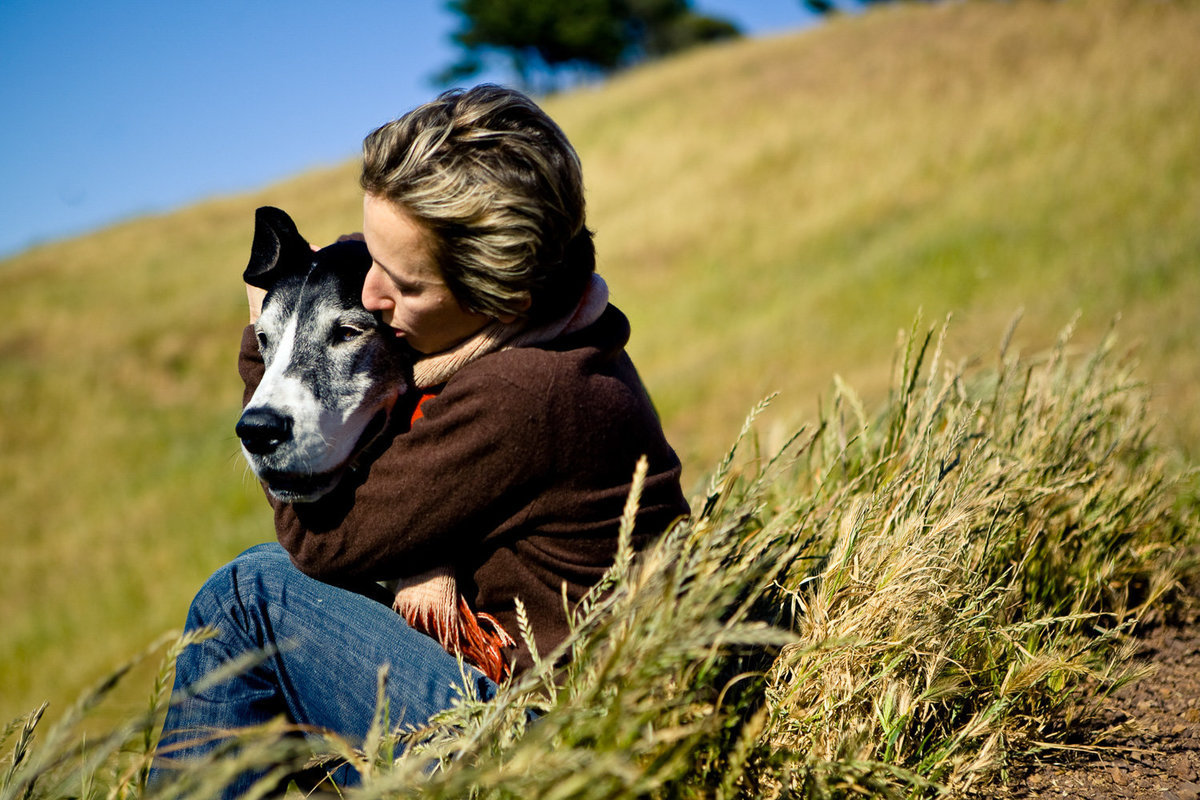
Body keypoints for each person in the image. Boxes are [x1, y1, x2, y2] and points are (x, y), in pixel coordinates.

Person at [152, 84, 690, 793]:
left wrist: (265, 354)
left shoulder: (525, 394)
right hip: (549, 713)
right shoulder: (549, 326)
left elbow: (325, 542)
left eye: (403, 285)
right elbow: (368, 264)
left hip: (551, 750)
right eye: (372, 254)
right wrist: (298, 286)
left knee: (251, 592)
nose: (373, 296)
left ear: (499, 298)